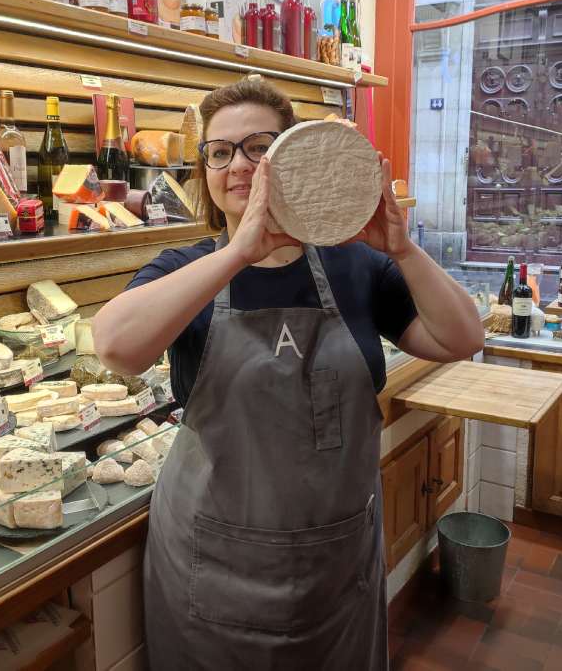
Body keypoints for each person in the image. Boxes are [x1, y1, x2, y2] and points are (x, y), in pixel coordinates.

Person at [92, 77, 484, 670]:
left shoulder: (356, 266)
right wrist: (239, 253)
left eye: (258, 147)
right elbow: (117, 347)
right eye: (220, 152)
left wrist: (403, 249)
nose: (239, 165)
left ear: (293, 158)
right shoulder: (188, 270)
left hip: (337, 562)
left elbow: (463, 337)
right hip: (215, 566)